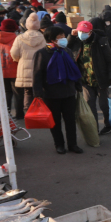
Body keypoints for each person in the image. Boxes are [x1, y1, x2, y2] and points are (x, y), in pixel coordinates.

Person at [33, 26, 83, 154]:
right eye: (60, 37)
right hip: (51, 93)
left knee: (70, 120)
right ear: (52, 39)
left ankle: (73, 144)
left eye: (63, 37)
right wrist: (37, 93)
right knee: (55, 121)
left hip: (69, 92)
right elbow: (37, 75)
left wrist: (78, 85)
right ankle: (59, 144)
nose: (63, 39)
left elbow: (74, 69)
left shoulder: (67, 51)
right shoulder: (41, 54)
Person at [70, 20, 111, 135]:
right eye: (80, 31)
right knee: (90, 106)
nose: (82, 33)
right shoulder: (77, 42)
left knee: (104, 105)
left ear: (90, 32)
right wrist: (71, 37)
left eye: (84, 31)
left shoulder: (101, 41)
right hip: (85, 80)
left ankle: (108, 124)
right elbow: (67, 49)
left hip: (101, 78)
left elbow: (110, 61)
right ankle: (93, 130)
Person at [10, 13, 48, 117]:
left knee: (27, 92)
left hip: (24, 69)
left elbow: (14, 53)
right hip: (41, 68)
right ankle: (41, 113)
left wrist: (19, 60)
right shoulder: (43, 37)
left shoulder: (20, 38)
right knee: (41, 91)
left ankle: (28, 113)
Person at [0, 18, 20, 118]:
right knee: (17, 93)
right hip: (16, 70)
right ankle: (19, 114)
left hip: (0, 70)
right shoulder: (18, 39)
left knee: (5, 92)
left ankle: (5, 113)